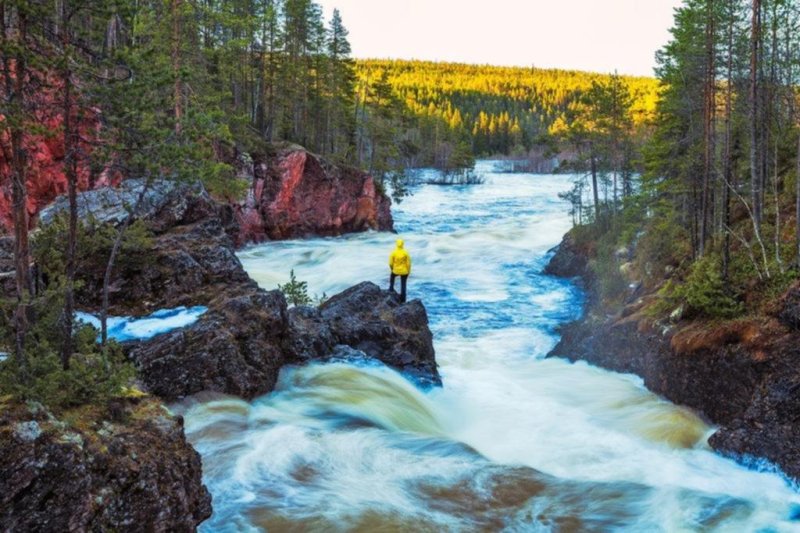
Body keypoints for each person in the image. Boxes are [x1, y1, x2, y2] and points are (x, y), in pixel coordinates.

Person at [389, 238, 411, 303]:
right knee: (403, 285)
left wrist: (392, 269)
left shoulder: (393, 253)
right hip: (404, 271)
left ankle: (391, 288)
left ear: (396, 244)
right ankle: (403, 299)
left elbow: (390, 263)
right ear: (402, 244)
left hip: (395, 270)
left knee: (392, 276)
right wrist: (408, 271)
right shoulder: (406, 253)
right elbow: (409, 264)